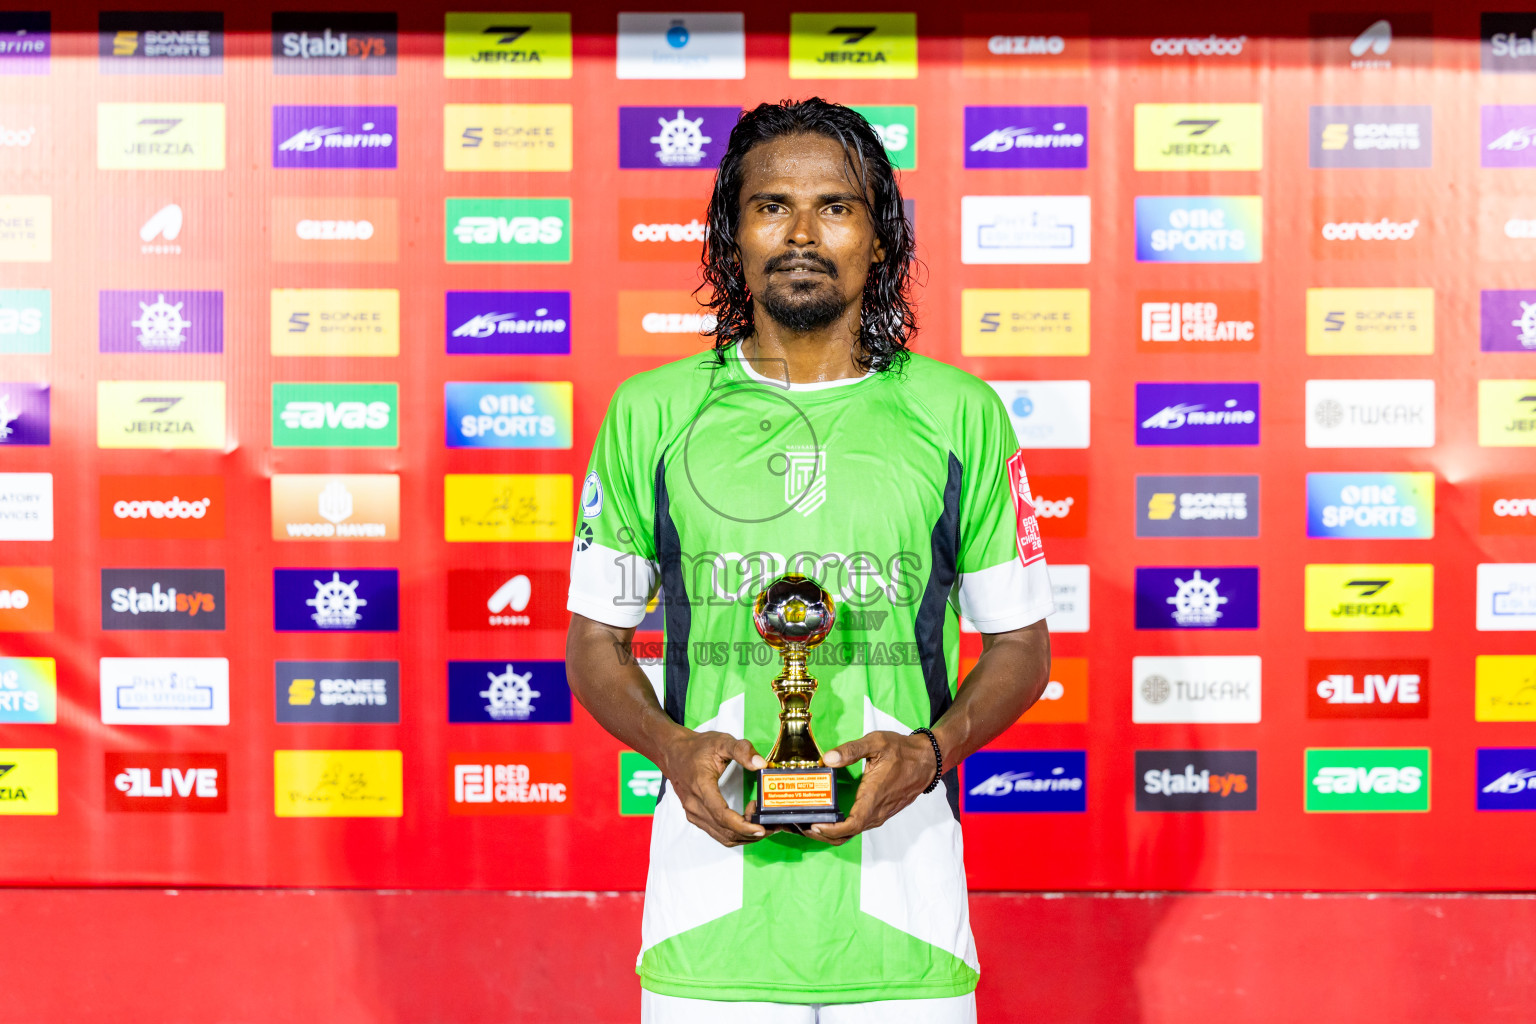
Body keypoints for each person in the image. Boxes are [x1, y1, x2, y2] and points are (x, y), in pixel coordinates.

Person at [566, 97, 1054, 1024]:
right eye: (770, 206)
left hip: (905, 919)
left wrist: (928, 754)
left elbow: (1021, 646)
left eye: (835, 207)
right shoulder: (651, 414)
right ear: (732, 236)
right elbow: (595, 642)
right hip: (709, 928)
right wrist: (671, 748)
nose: (800, 234)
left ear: (880, 237)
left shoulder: (959, 415)